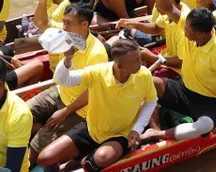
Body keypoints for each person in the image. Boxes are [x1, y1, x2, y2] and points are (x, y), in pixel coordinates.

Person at [39, 39, 155, 172]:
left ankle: (81, 162)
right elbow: (62, 79)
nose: (140, 63)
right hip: (92, 129)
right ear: (120, 66)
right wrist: (67, 59)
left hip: (121, 134)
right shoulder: (97, 72)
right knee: (44, 159)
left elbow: (151, 101)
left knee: (99, 160)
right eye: (136, 60)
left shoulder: (144, 74)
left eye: (139, 58)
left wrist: (137, 129)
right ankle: (79, 161)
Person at [145, 7, 216, 145]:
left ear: (198, 34)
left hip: (208, 102)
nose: (183, 31)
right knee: (148, 81)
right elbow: (165, 5)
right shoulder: (195, 30)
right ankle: (154, 129)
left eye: (186, 30)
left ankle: (155, 134)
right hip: (183, 89)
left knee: (205, 126)